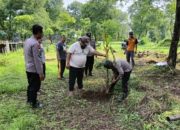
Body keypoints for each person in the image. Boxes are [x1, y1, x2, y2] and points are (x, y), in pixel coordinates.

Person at [24, 24, 44, 108]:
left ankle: (29, 100)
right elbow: (37, 59)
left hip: (28, 67)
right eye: (41, 32)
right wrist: (40, 73)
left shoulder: (27, 40)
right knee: (35, 87)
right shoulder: (35, 44)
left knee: (30, 85)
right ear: (38, 32)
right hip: (34, 69)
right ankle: (34, 103)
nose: (42, 34)